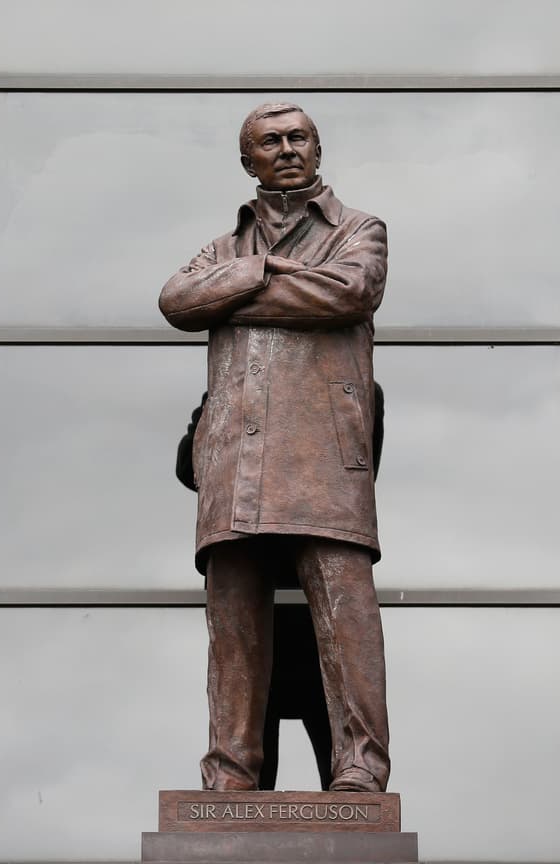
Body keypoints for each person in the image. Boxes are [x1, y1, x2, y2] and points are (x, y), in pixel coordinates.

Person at [159, 102, 390, 793]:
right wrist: (268, 274)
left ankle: (361, 769)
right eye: (271, 141)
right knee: (232, 633)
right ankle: (229, 772)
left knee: (347, 624)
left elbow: (350, 291)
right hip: (235, 466)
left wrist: (232, 290)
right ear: (248, 161)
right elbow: (176, 301)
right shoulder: (222, 245)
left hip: (323, 463)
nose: (287, 149)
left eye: (299, 138)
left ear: (318, 149)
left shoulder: (359, 229)